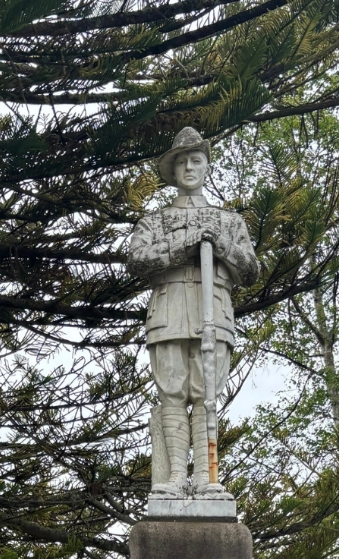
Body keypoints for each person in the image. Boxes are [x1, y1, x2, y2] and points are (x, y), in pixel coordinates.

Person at [127, 127, 260, 496]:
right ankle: (172, 478)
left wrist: (219, 244)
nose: (189, 167)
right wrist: (187, 242)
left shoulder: (229, 222)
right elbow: (137, 261)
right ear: (172, 169)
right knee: (172, 393)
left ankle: (206, 476)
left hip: (213, 313)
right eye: (182, 161)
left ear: (207, 167)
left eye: (196, 160)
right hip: (168, 312)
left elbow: (250, 270)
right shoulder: (154, 222)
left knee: (208, 395)